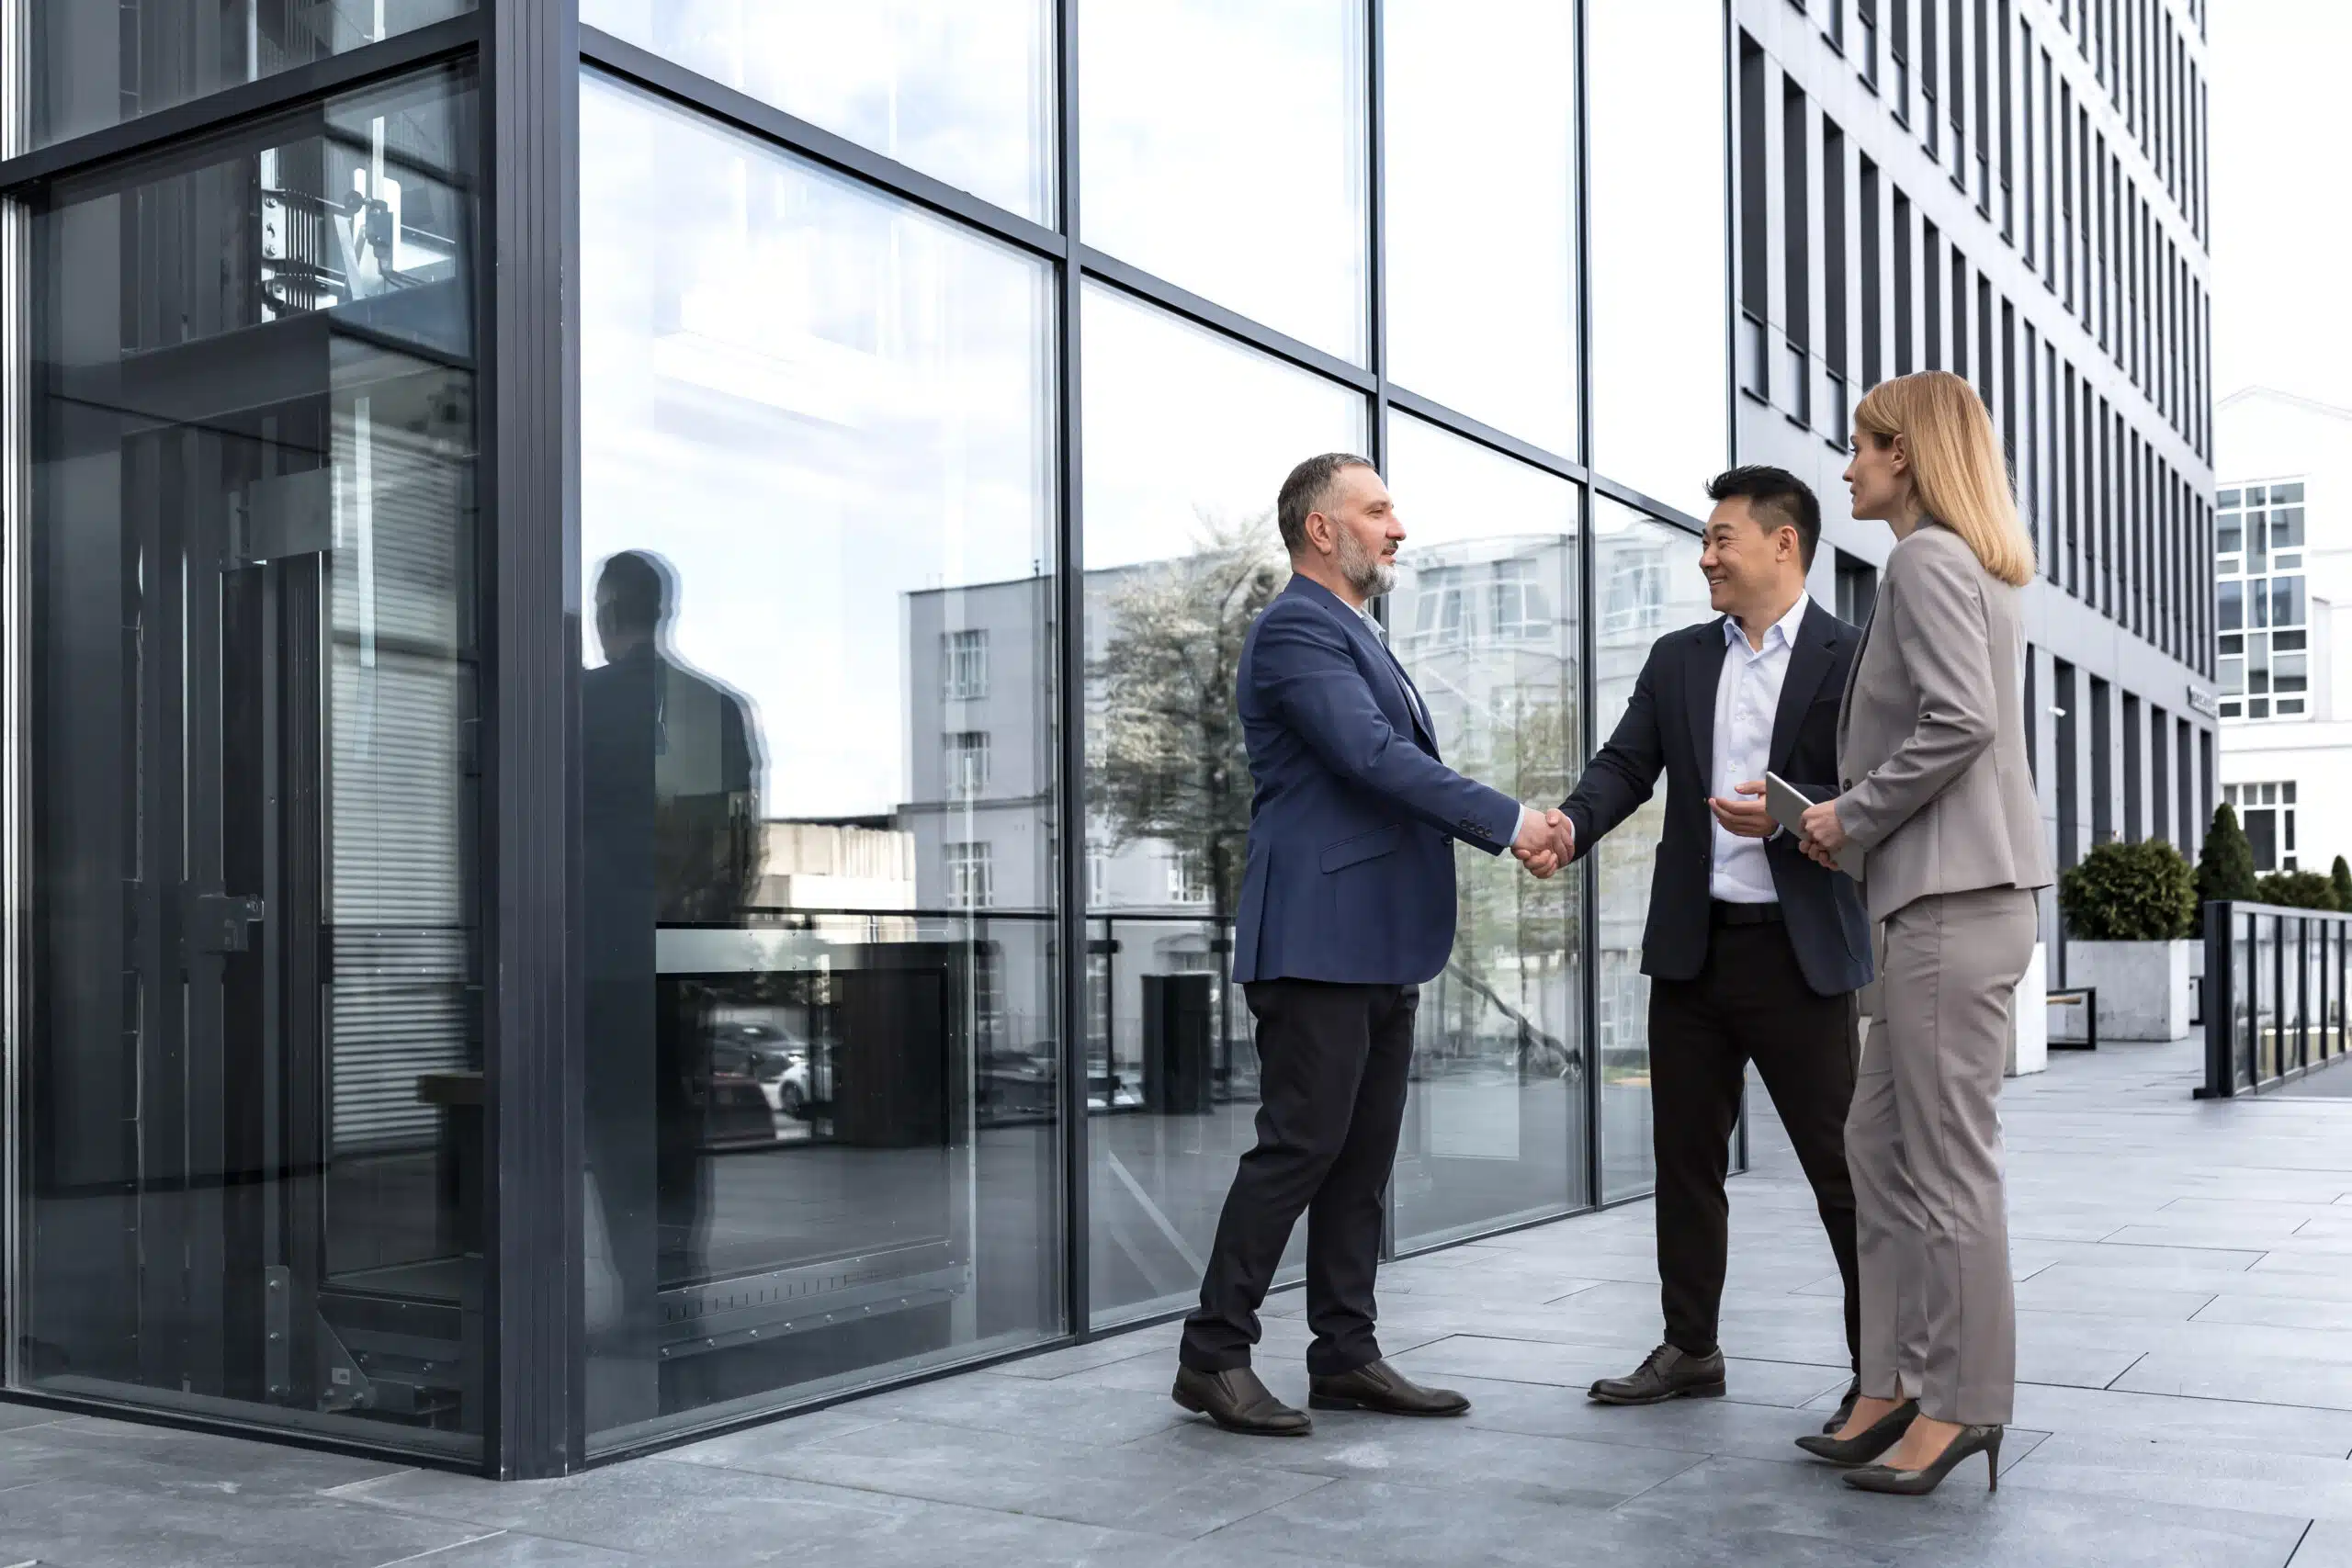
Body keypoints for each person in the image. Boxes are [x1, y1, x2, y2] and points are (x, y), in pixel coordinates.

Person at [1172, 452, 1568, 1437]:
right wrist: (1510, 819)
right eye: (1379, 509)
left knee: (1360, 1159)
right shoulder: (1296, 628)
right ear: (1322, 528)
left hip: (1378, 942)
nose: (1398, 528)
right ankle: (1212, 1354)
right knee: (1299, 1148)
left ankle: (1345, 1354)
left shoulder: (1355, 634)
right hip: (1315, 941)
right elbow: (1370, 757)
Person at [1544, 467, 1871, 1434]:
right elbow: (1624, 764)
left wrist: (1795, 818)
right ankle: (1690, 1349)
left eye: (1722, 538)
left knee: (1840, 1174)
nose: (1706, 556)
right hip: (1692, 952)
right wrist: (1567, 826)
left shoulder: (1851, 658)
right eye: (1704, 539)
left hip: (1799, 956)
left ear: (1784, 543)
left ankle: (1879, 1371)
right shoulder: (1680, 656)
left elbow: (1879, 787)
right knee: (1683, 1163)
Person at [1791, 370, 2052, 1496]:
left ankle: (1961, 1404)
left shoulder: (1927, 558)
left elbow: (1960, 722)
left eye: (1857, 446)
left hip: (1951, 901)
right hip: (1928, 899)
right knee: (1879, 1149)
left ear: (1903, 455)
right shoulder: (1959, 564)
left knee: (1944, 1167)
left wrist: (1847, 813)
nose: (1844, 466)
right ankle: (1891, 1378)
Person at [582, 549, 763, 1425]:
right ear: (661, 609)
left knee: (617, 1134)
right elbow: (740, 848)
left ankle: (638, 1300)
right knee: (679, 1132)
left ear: (609, 612)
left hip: (603, 958)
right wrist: (706, 936)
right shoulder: (719, 709)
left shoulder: (579, 706)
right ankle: (679, 1289)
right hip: (685, 961)